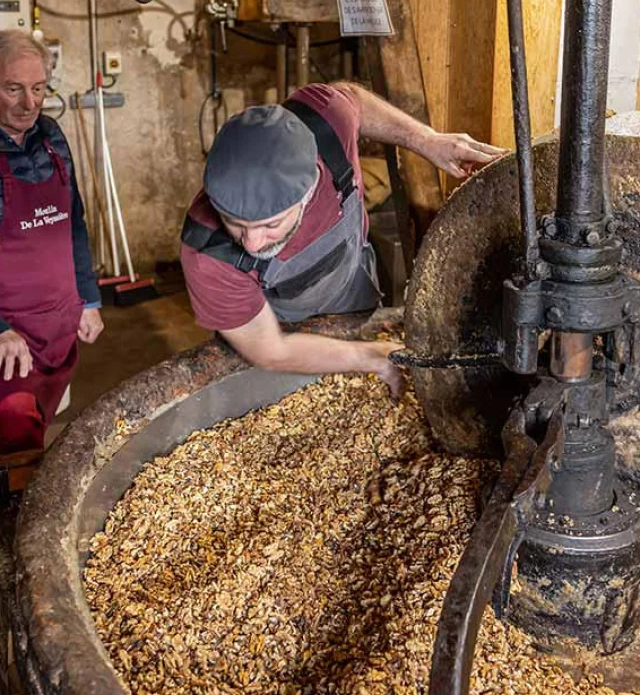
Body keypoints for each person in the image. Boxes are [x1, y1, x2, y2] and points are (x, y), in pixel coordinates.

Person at [181, 82, 504, 395]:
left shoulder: (326, 121)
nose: (251, 243)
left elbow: (356, 102)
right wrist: (365, 356)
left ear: (309, 191)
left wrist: (425, 139)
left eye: (270, 224)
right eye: (233, 222)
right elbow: (271, 351)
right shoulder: (208, 253)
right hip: (277, 329)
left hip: (354, 293)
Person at [0, 31, 103, 454]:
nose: (30, 103)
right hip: (11, 345)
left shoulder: (53, 136)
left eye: (39, 88)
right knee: (15, 439)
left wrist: (89, 297)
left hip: (59, 330)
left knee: (44, 433)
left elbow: (73, 223)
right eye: (13, 89)